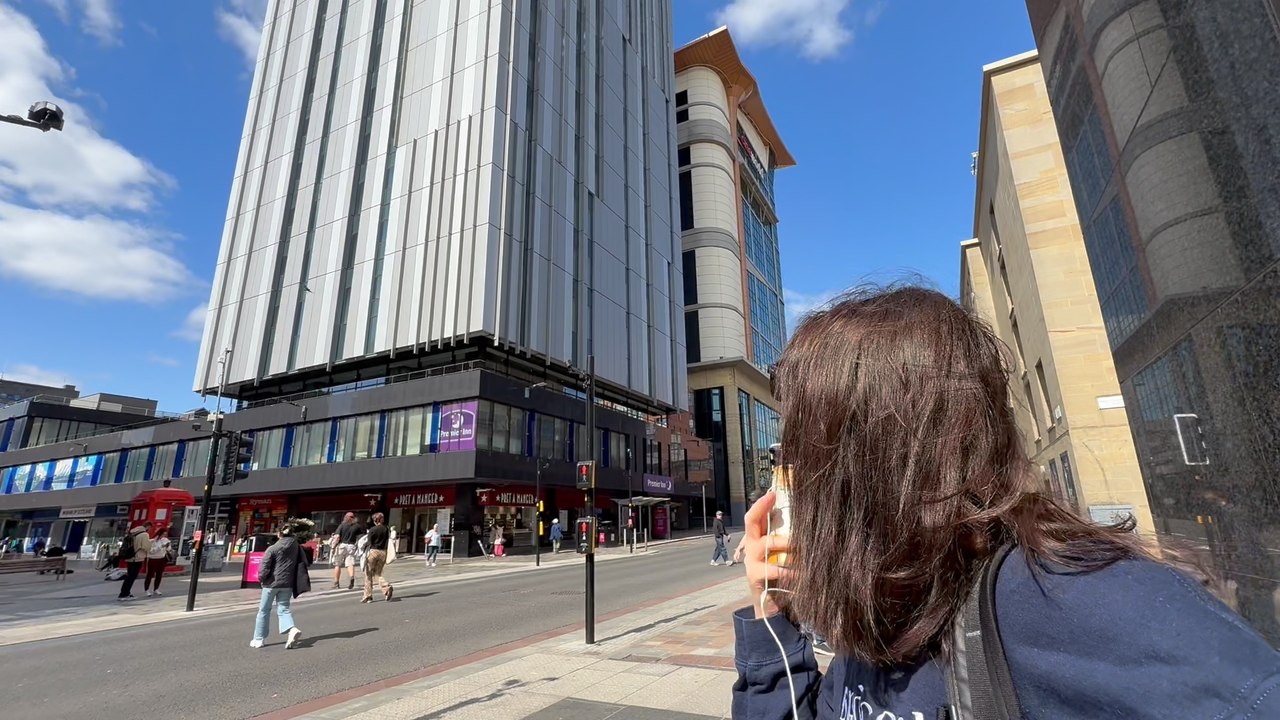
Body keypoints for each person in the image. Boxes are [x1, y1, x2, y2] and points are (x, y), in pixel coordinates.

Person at [732, 287, 1280, 719]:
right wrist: (770, 613)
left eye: (801, 448)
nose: (791, 478)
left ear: (864, 463)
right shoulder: (877, 600)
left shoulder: (1069, 599)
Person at [250, 523, 304, 649]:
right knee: (284, 609)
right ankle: (292, 629)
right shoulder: (296, 546)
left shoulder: (273, 549)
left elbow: (263, 569)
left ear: (279, 534)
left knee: (264, 610)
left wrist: (262, 580)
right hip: (288, 583)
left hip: (271, 584)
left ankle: (259, 639)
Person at [361, 512, 393, 603]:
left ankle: (368, 596)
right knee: (378, 574)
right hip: (383, 552)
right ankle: (386, 588)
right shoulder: (386, 529)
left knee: (368, 574)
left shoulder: (372, 529)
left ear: (375, 520)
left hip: (373, 552)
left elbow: (369, 543)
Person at [118, 522, 152, 601]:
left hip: (130, 557)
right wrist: (150, 544)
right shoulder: (144, 534)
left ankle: (126, 592)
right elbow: (146, 547)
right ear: (148, 527)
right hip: (137, 558)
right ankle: (124, 594)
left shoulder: (133, 532)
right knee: (131, 577)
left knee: (129, 576)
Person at [331, 512, 364, 590]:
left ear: (345, 517)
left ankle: (336, 582)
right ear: (353, 518)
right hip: (351, 546)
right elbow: (361, 536)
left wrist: (333, 547)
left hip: (342, 546)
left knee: (338, 564)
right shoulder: (357, 526)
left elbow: (337, 537)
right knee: (350, 563)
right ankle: (351, 577)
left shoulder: (342, 525)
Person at [144, 526, 172, 597]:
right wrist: (160, 547)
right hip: (153, 559)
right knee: (150, 575)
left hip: (162, 559)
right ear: (159, 534)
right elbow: (151, 551)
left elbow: (169, 549)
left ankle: (156, 588)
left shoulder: (165, 540)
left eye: (165, 535)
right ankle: (147, 589)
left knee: (159, 574)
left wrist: (168, 546)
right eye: (163, 534)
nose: (164, 536)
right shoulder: (152, 541)